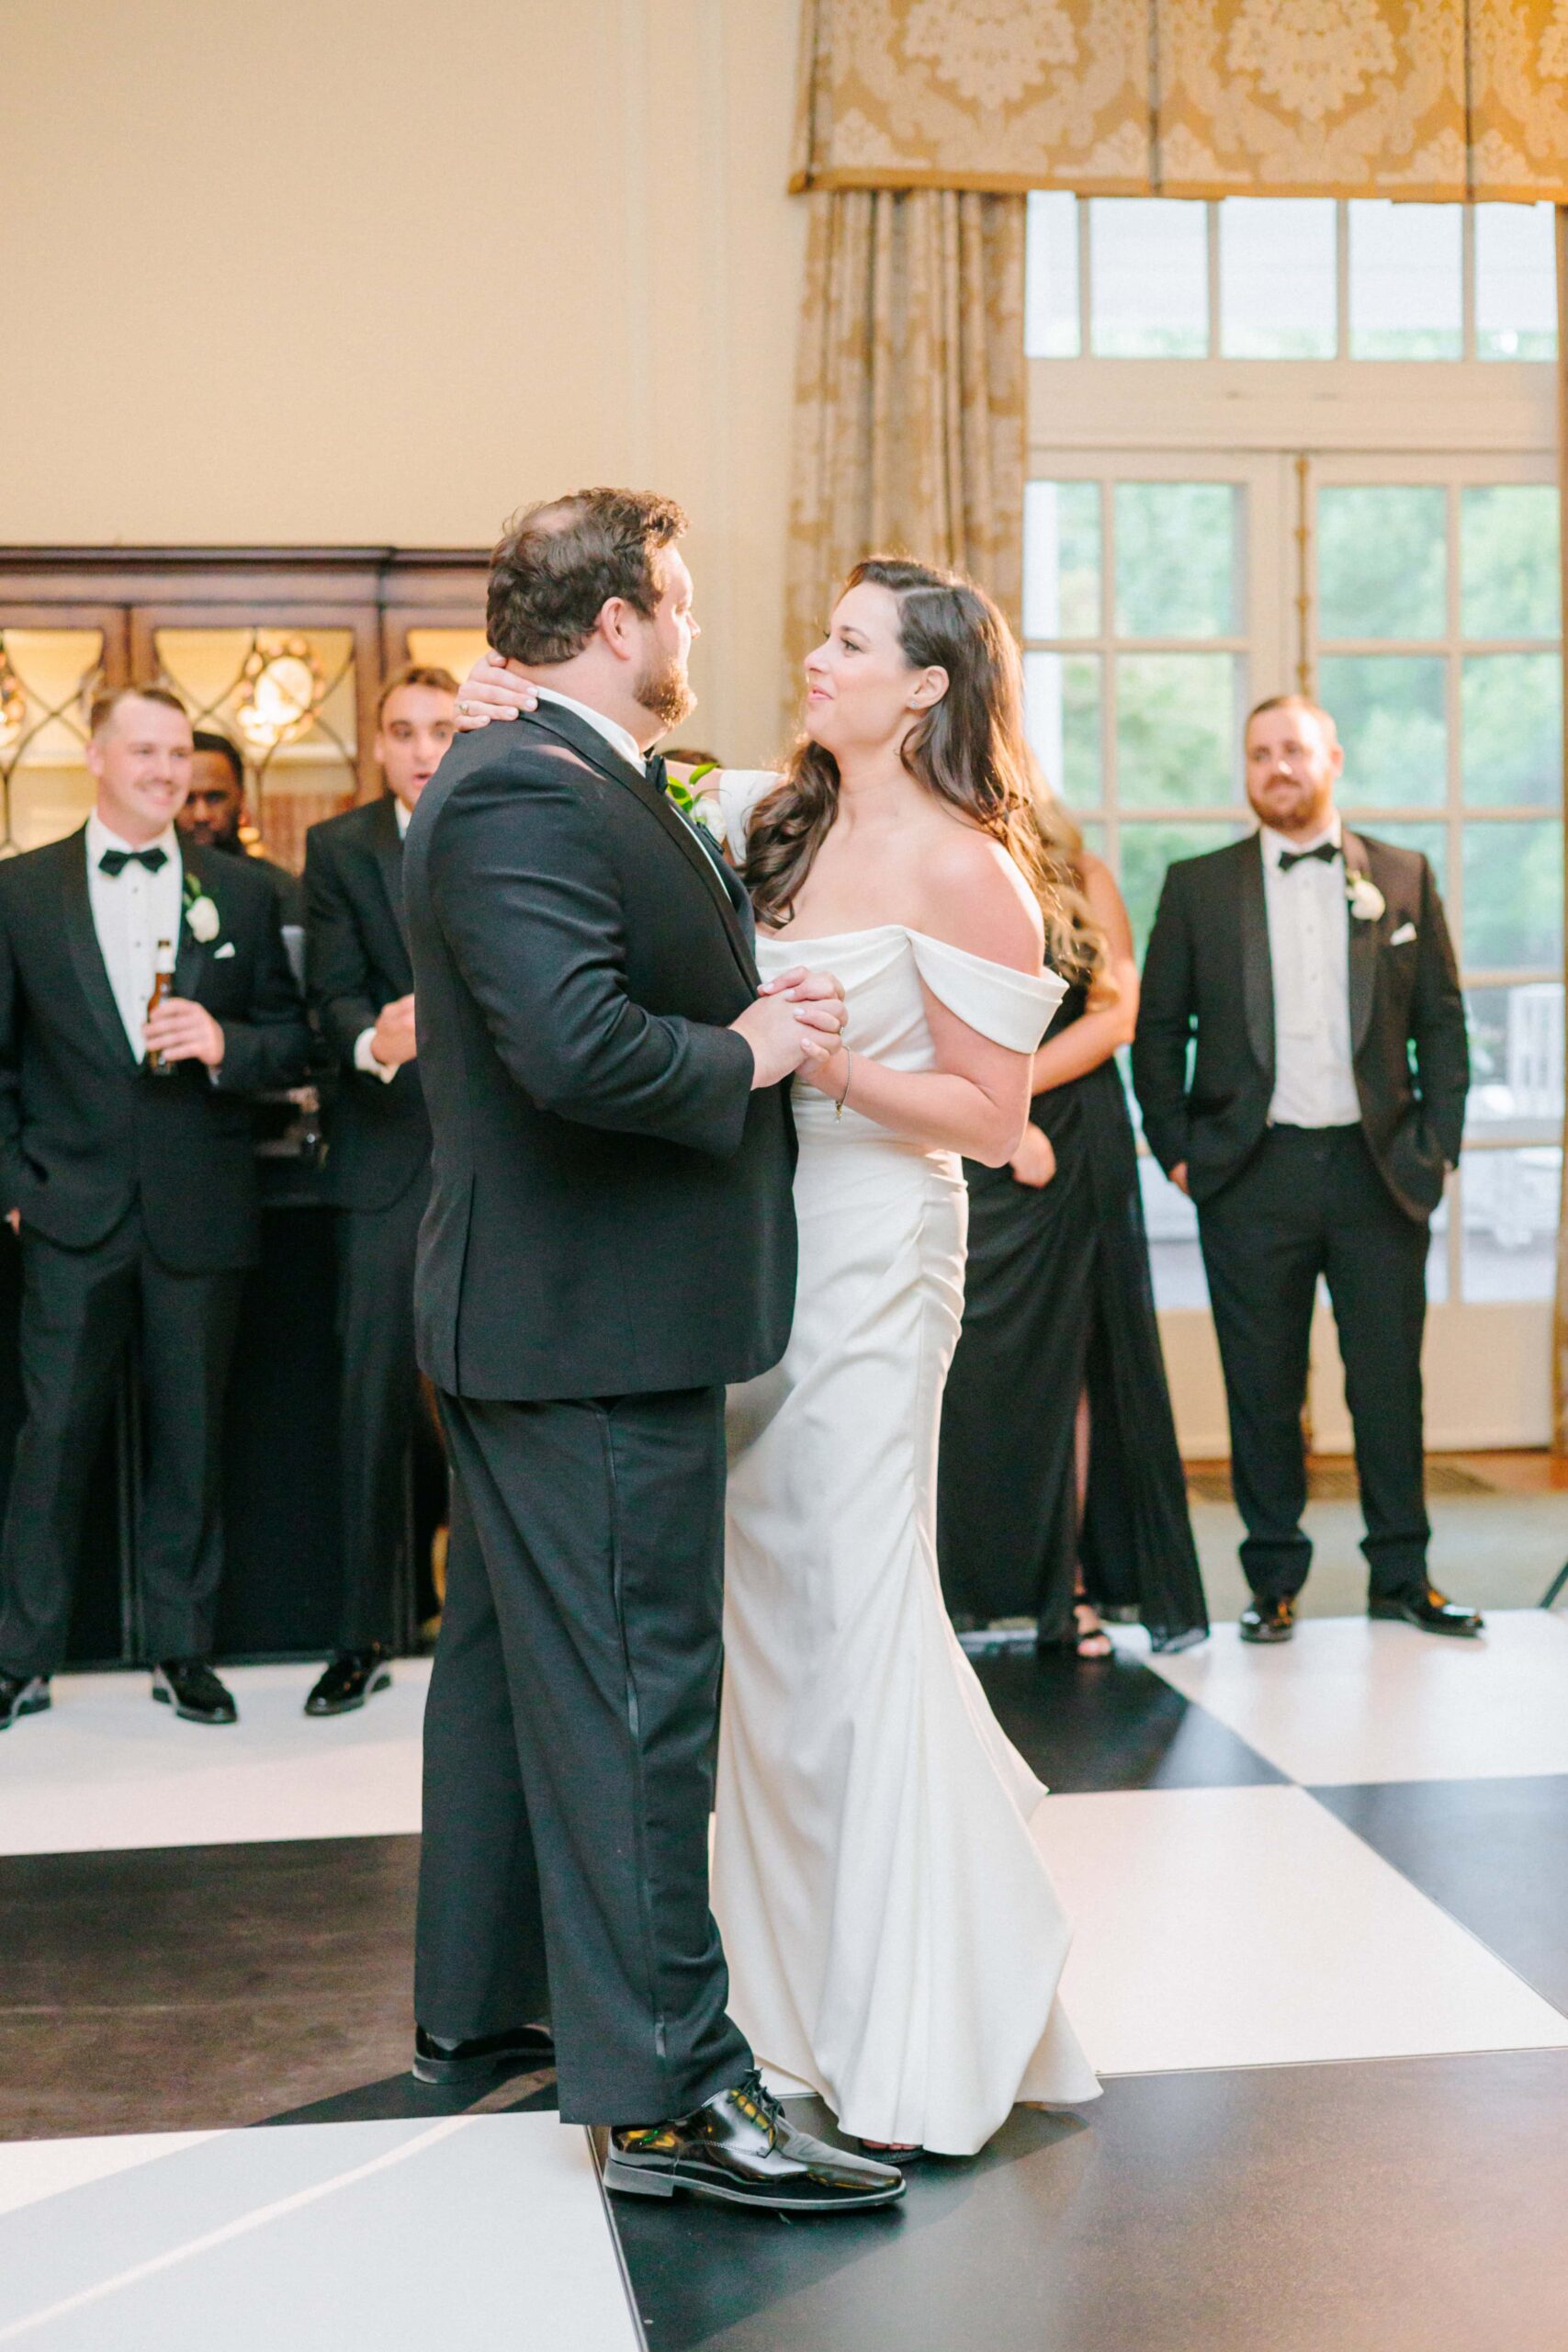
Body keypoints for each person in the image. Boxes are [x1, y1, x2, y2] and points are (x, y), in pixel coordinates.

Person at [456, 555, 1101, 2161]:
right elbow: (603, 786)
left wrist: (819, 1067)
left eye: (849, 643)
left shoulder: (974, 875)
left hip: (879, 1245)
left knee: (856, 1599)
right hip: (744, 1253)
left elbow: (991, 1116)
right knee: (763, 1623)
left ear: (928, 686)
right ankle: (792, 2004)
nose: (811, 658)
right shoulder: (769, 819)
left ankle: (918, 2018)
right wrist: (503, 711)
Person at [408, 489, 902, 2216]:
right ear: (615, 620)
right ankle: (676, 2097)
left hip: (569, 1316)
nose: (694, 634)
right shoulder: (520, 791)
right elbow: (574, 1049)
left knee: (546, 1701)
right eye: (678, 604)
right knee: (638, 1709)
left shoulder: (568, 774)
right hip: (580, 1327)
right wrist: (753, 1047)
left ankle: (526, 2020)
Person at [1132, 693, 1478, 1645]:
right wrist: (1177, 1152)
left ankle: (1402, 1574)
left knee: (1386, 1382)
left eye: (1293, 749)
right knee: (1262, 1383)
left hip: (1379, 1172)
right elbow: (1157, 1032)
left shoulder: (1402, 876)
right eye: (1258, 754)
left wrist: (1436, 1145)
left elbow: (1443, 1026)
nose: (1276, 766)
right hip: (1250, 1174)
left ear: (1332, 757)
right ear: (1246, 773)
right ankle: (1273, 1578)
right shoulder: (1198, 886)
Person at [0, 685, 310, 1732]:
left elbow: (293, 1038)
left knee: (192, 1437)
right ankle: (20, 1654)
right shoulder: (20, 892)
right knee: (53, 1440)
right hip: (68, 1211)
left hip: (200, 1209)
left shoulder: (249, 891)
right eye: (144, 750)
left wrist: (231, 1047)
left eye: (177, 752)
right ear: (95, 758)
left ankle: (183, 1648)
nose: (165, 769)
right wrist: (14, 1191)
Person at [938, 795, 1208, 1657]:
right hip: (962, 1130)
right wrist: (994, 1123)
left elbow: (1116, 1014)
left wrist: (1012, 1099)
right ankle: (950, 1586)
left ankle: (1072, 1586)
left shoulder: (1079, 872)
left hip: (1073, 1136)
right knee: (963, 1365)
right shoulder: (926, 860)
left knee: (1074, 1363)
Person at [301, 666, 458, 1717]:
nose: (419, 748)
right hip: (385, 1156)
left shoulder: (503, 820)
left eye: (440, 729)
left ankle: (489, 1631)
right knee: (369, 1408)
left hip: (499, 1165)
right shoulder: (340, 846)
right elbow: (331, 998)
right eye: (401, 731)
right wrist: (374, 1040)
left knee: (491, 1402)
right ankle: (360, 1633)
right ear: (380, 745)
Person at [178, 730, 302, 923]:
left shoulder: (278, 890)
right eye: (187, 799)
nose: (201, 815)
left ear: (241, 798)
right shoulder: (147, 886)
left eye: (214, 798)